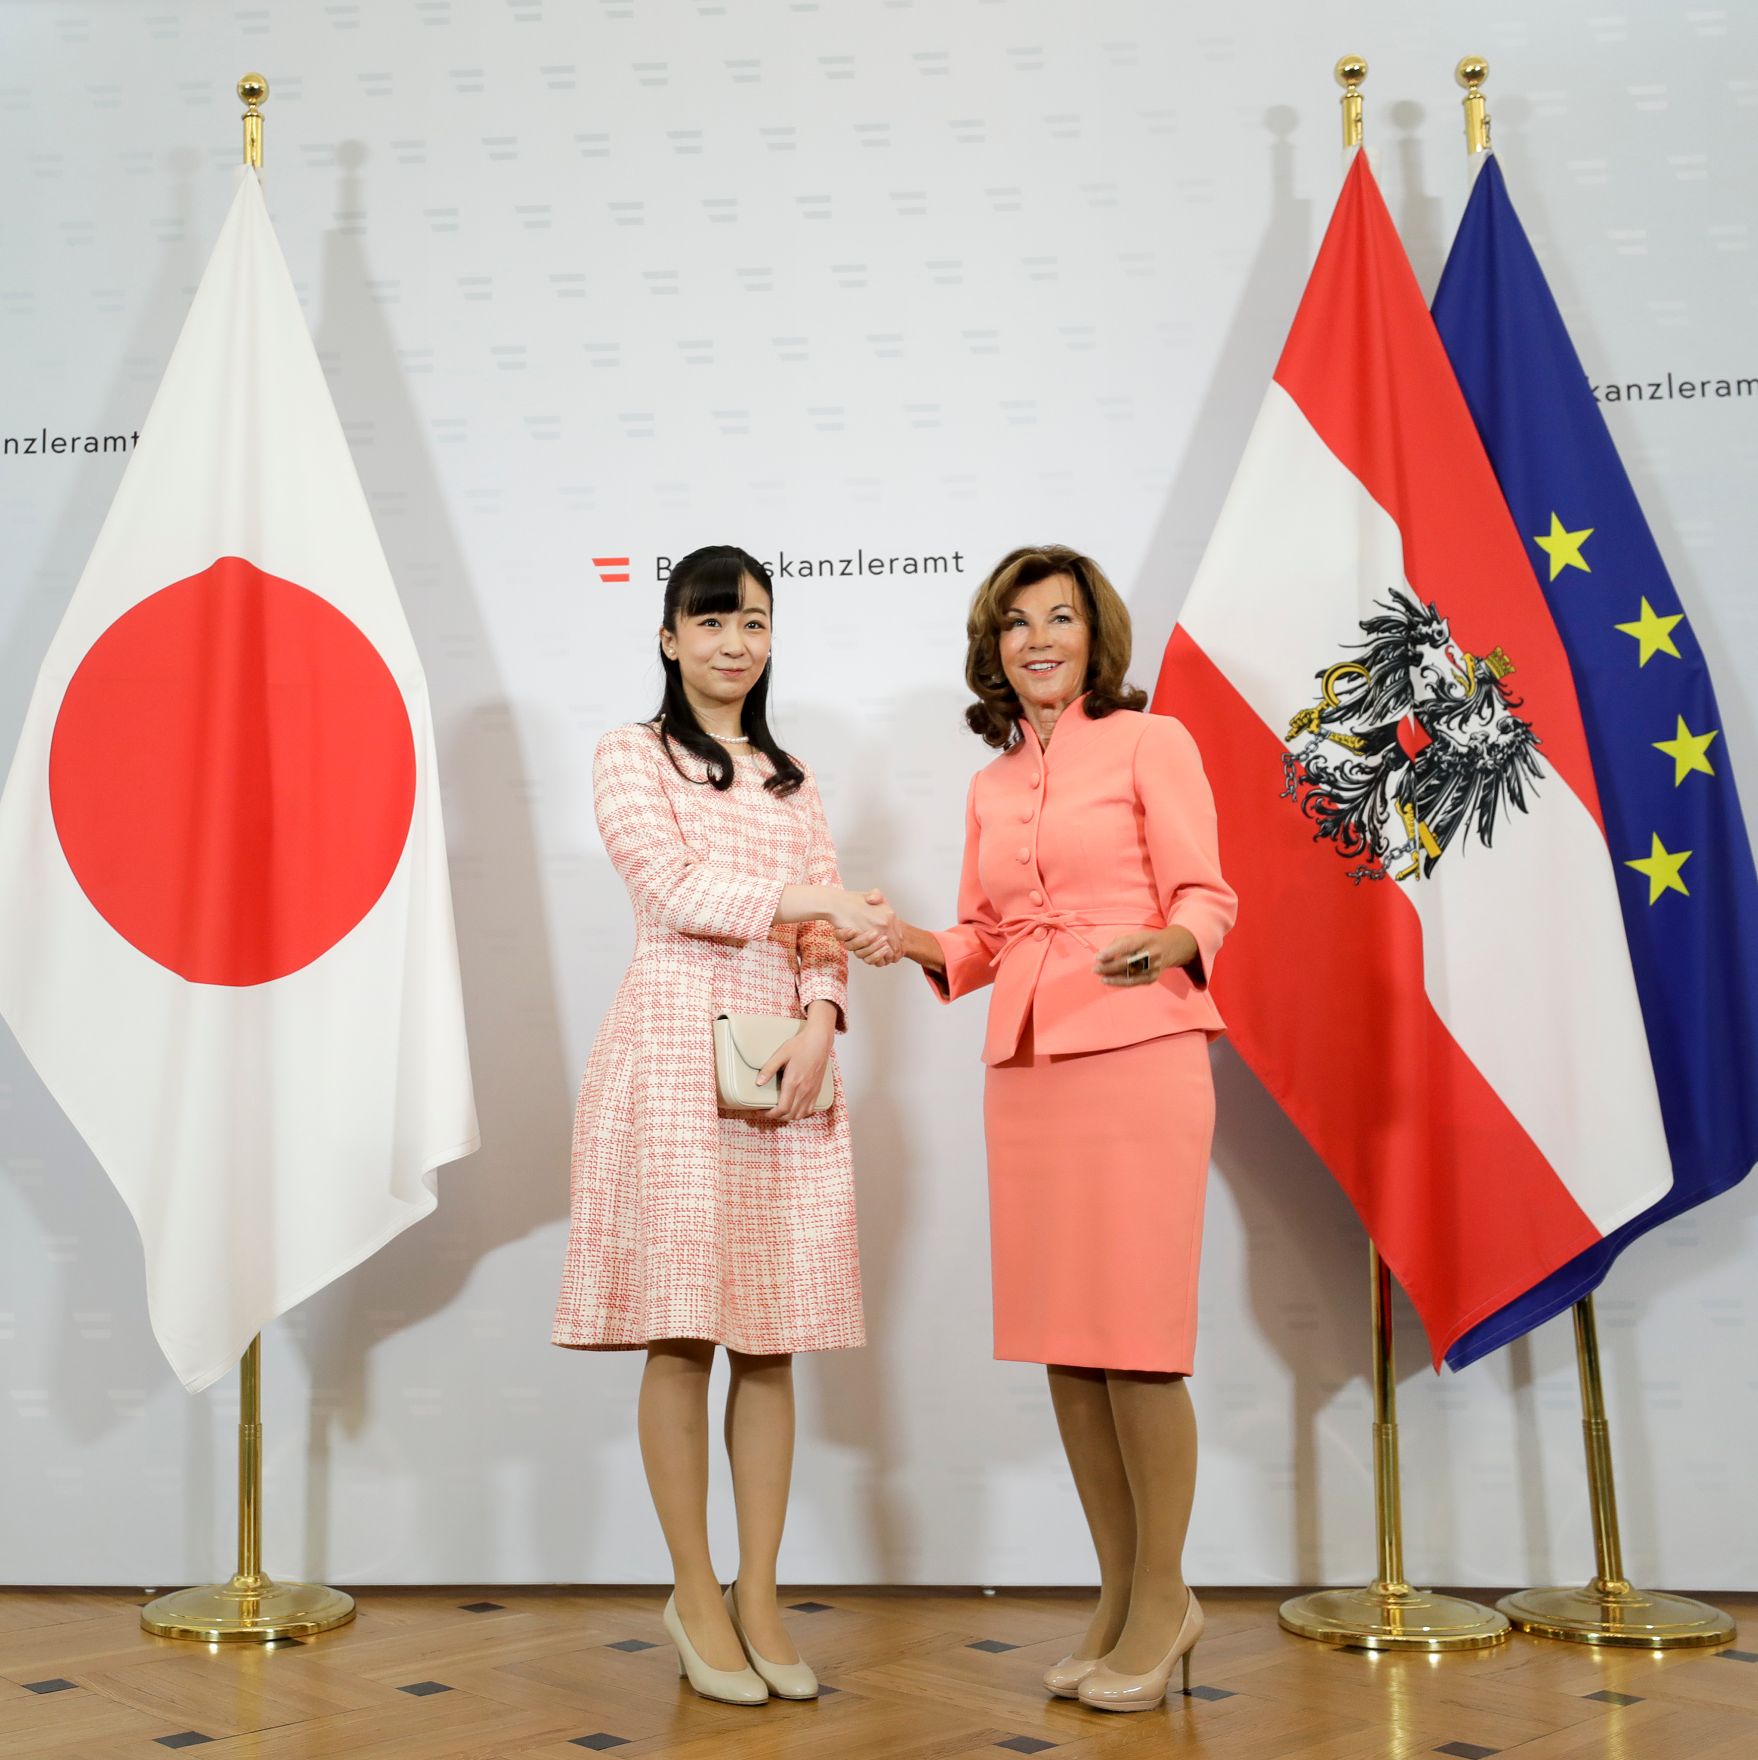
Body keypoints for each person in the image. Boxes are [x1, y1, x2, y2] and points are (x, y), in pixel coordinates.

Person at [858, 544, 1237, 1713]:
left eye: (1060, 618)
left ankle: (1168, 1596)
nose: (1038, 640)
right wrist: (906, 938)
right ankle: (1119, 1598)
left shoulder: (1149, 740)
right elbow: (982, 934)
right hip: (1027, 1065)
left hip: (1136, 1048)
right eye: (1017, 623)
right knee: (1070, 1345)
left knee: (1137, 1340)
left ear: (1094, 634)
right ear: (995, 645)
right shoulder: (990, 783)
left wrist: (1170, 945)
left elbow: (1205, 896)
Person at [553, 544, 897, 1706]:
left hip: (779, 1059)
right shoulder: (629, 755)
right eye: (710, 621)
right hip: (666, 1046)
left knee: (772, 1331)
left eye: (753, 620)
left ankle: (760, 1588)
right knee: (684, 1328)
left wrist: (821, 1015)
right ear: (668, 637)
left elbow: (824, 938)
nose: (734, 642)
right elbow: (673, 890)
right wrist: (820, 904)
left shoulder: (795, 777)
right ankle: (693, 1587)